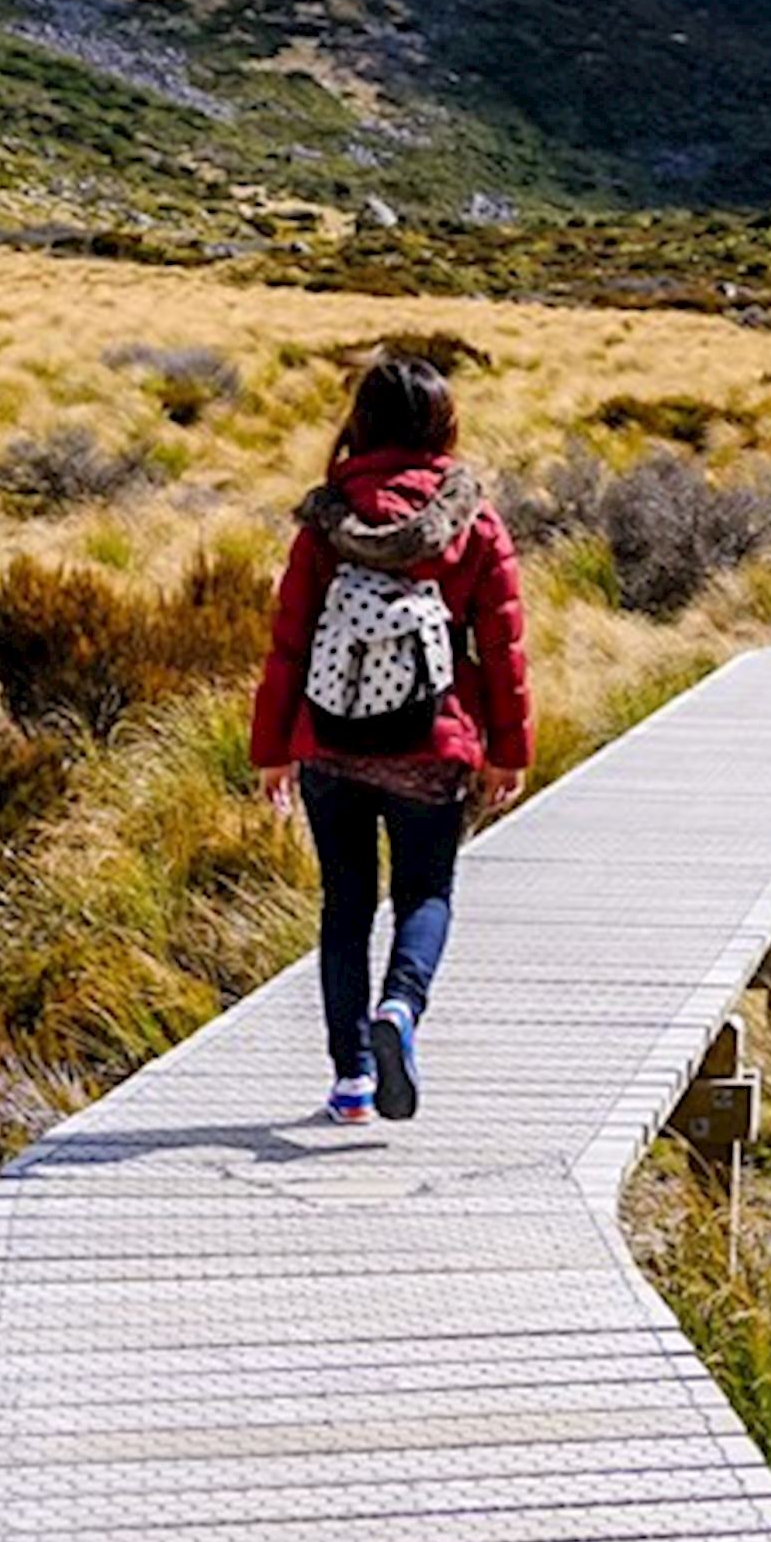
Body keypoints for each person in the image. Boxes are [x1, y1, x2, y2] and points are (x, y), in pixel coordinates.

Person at [250, 354, 529, 1124]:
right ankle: (400, 1010)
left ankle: (351, 1083)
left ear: (362, 423)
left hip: (328, 746)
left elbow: (290, 643)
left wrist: (272, 747)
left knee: (345, 906)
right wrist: (509, 750)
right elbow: (501, 648)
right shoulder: (473, 521)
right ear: (443, 424)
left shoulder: (327, 521)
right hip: (431, 749)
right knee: (425, 893)